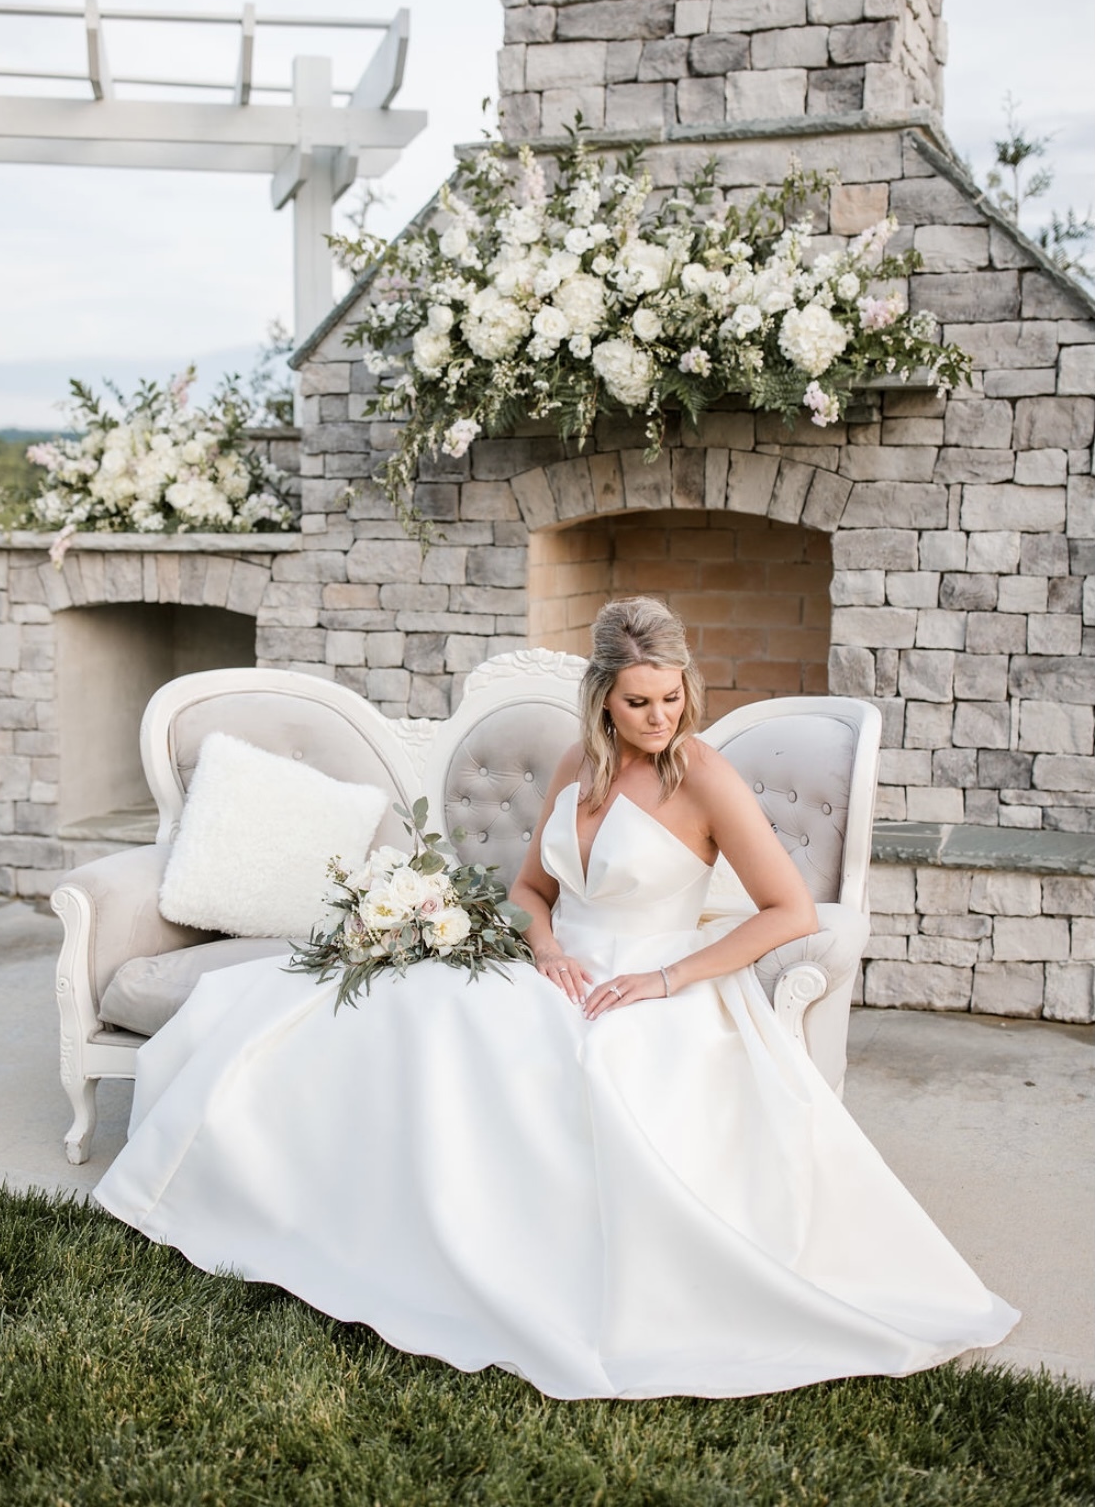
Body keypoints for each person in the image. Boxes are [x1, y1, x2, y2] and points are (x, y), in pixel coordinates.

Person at [95, 597, 1018, 1399]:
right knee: (387, 1015)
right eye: (638, 702)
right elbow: (531, 890)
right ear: (602, 700)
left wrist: (667, 976)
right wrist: (542, 948)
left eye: (671, 698)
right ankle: (308, 1206)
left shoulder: (705, 776)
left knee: (546, 1061)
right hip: (552, 965)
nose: (659, 718)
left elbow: (784, 910)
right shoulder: (582, 768)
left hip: (656, 988)